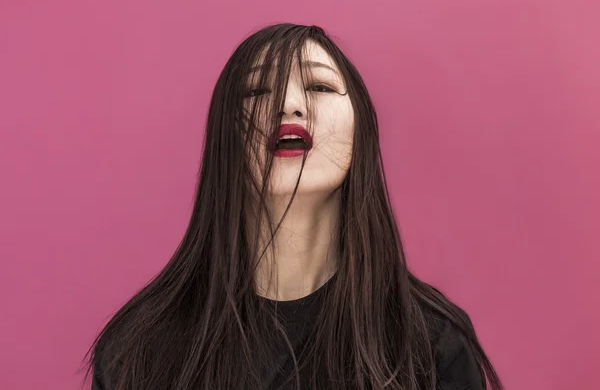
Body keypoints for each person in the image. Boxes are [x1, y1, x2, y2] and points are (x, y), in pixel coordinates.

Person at [84, 23, 503, 390]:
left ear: (362, 131)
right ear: (223, 139)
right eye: (256, 91)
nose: (289, 105)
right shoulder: (137, 347)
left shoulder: (431, 343)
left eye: (319, 87)